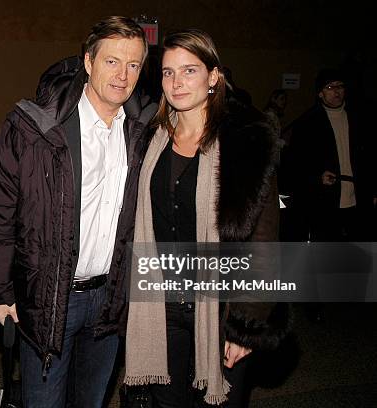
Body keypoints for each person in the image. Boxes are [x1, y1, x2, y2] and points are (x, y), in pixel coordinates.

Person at [0, 16, 157, 408]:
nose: (123, 75)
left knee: (90, 401)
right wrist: (0, 291)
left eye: (134, 64)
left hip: (110, 298)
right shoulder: (35, 127)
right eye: (112, 61)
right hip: (50, 296)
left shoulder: (144, 130)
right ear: (88, 63)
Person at [124, 29, 290, 407]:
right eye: (168, 72)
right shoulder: (152, 139)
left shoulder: (246, 143)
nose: (177, 82)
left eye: (189, 71)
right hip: (161, 308)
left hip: (221, 310)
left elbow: (264, 242)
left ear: (213, 77)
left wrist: (245, 326)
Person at [288, 68, 374, 242]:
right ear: (320, 94)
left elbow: (370, 157)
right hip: (325, 201)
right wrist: (315, 178)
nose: (336, 91)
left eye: (340, 86)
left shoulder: (360, 119)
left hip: (358, 198)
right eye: (329, 87)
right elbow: (296, 164)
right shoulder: (307, 124)